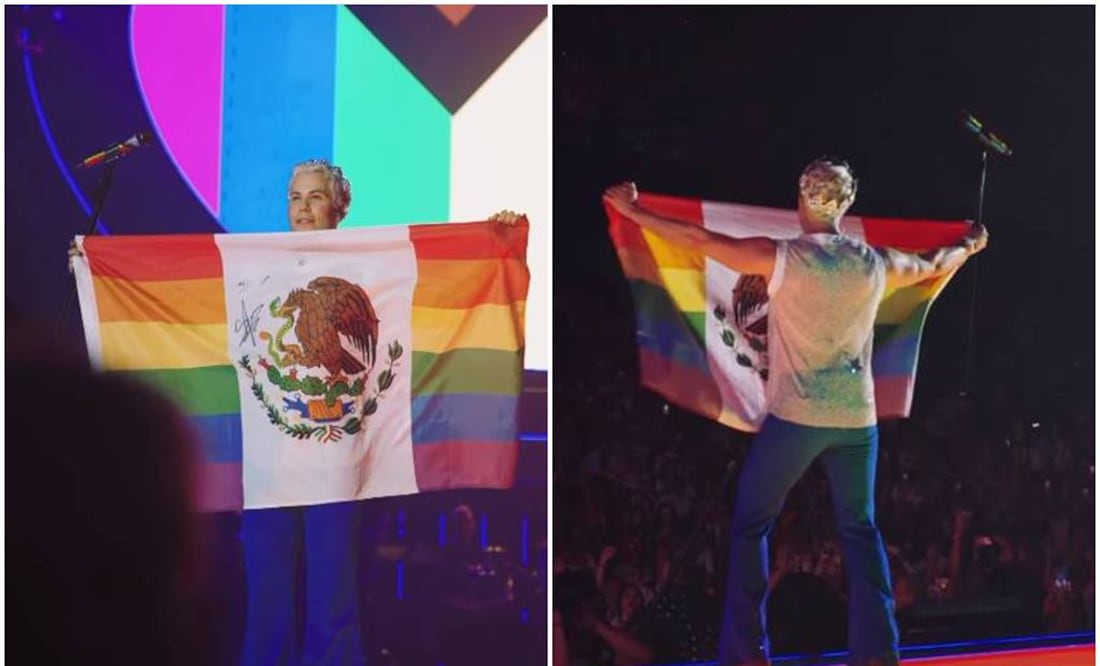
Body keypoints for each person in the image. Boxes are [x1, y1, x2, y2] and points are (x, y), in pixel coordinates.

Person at [603, 159, 988, 666]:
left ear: (802, 201)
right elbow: (932, 262)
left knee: (751, 524)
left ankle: (746, 652)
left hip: (798, 419)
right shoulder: (873, 263)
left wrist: (635, 211)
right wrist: (972, 244)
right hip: (856, 422)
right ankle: (878, 651)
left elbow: (698, 241)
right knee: (859, 528)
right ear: (846, 206)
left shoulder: (785, 257)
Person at [244, 159, 525, 666]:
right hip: (269, 464)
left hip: (337, 460)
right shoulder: (254, 263)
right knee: (267, 609)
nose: (303, 208)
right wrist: (94, 266)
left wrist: (493, 240)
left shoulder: (370, 263)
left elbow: (442, 276)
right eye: (294, 197)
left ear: (338, 207)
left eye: (315, 197)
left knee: (332, 607)